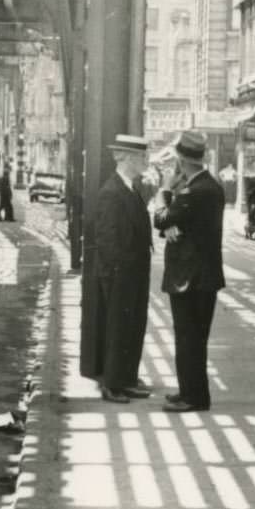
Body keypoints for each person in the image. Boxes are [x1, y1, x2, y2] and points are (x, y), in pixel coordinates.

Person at [153, 130, 226, 413]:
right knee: (193, 338)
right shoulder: (211, 187)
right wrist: (173, 224)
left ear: (181, 162)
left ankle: (193, 397)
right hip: (202, 277)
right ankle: (191, 391)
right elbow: (178, 224)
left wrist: (164, 191)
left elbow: (160, 218)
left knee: (188, 339)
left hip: (190, 279)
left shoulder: (194, 192)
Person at [92, 134, 153, 403]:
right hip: (120, 275)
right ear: (126, 158)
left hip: (134, 273)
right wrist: (117, 274)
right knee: (117, 328)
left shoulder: (129, 188)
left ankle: (127, 378)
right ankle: (112, 384)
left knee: (133, 326)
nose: (145, 161)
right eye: (141, 157)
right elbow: (106, 239)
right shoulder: (111, 192)